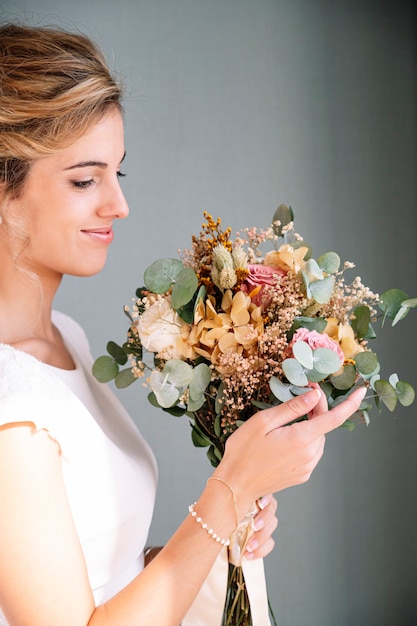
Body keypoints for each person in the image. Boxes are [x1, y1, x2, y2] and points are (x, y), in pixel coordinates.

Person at [0, 23, 366, 626]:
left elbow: (100, 578)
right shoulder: (12, 410)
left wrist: (227, 522)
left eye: (119, 174)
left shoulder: (65, 339)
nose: (118, 205)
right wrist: (223, 496)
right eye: (85, 180)